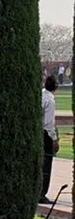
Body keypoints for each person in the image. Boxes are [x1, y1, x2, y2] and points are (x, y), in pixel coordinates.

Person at [43, 75, 61, 203]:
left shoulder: (41, 95)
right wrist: (54, 139)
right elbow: (49, 123)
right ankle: (42, 193)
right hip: (46, 135)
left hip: (38, 132)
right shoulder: (50, 100)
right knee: (46, 164)